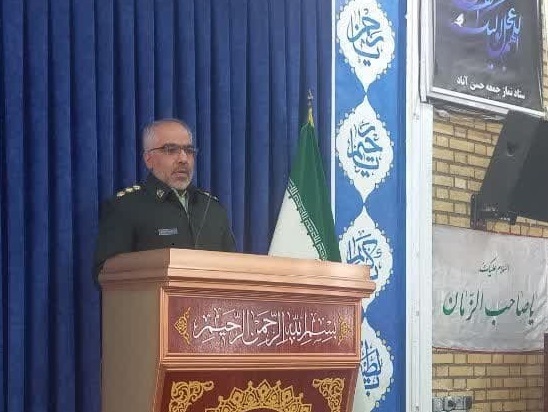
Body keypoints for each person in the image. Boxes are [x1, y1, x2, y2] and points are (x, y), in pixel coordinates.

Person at [94, 119, 236, 278]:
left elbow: (235, 270)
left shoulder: (212, 207)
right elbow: (105, 272)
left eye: (189, 150)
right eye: (171, 150)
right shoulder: (126, 207)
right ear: (149, 159)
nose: (183, 159)